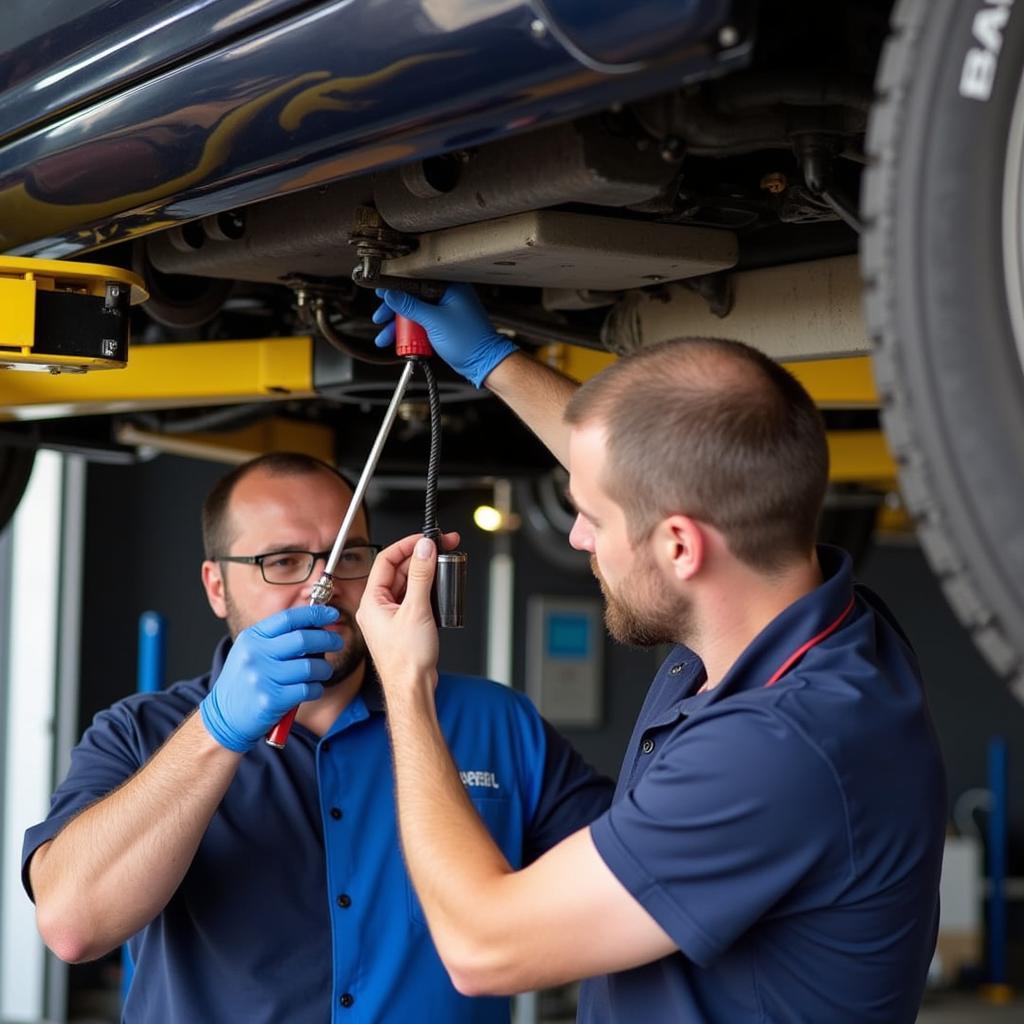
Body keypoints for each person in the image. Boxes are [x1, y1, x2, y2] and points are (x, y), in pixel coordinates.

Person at [359, 285, 948, 1023]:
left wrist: (406, 684)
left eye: (592, 520)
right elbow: (657, 464)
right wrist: (492, 361)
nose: (578, 538)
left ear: (679, 545)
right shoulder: (820, 624)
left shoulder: (777, 749)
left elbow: (483, 947)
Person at [22, 451, 613, 1023]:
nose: (321, 589)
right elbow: (73, 927)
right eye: (281, 562)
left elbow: (631, 890)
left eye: (347, 556)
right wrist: (216, 732)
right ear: (216, 586)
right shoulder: (139, 733)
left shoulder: (494, 723)